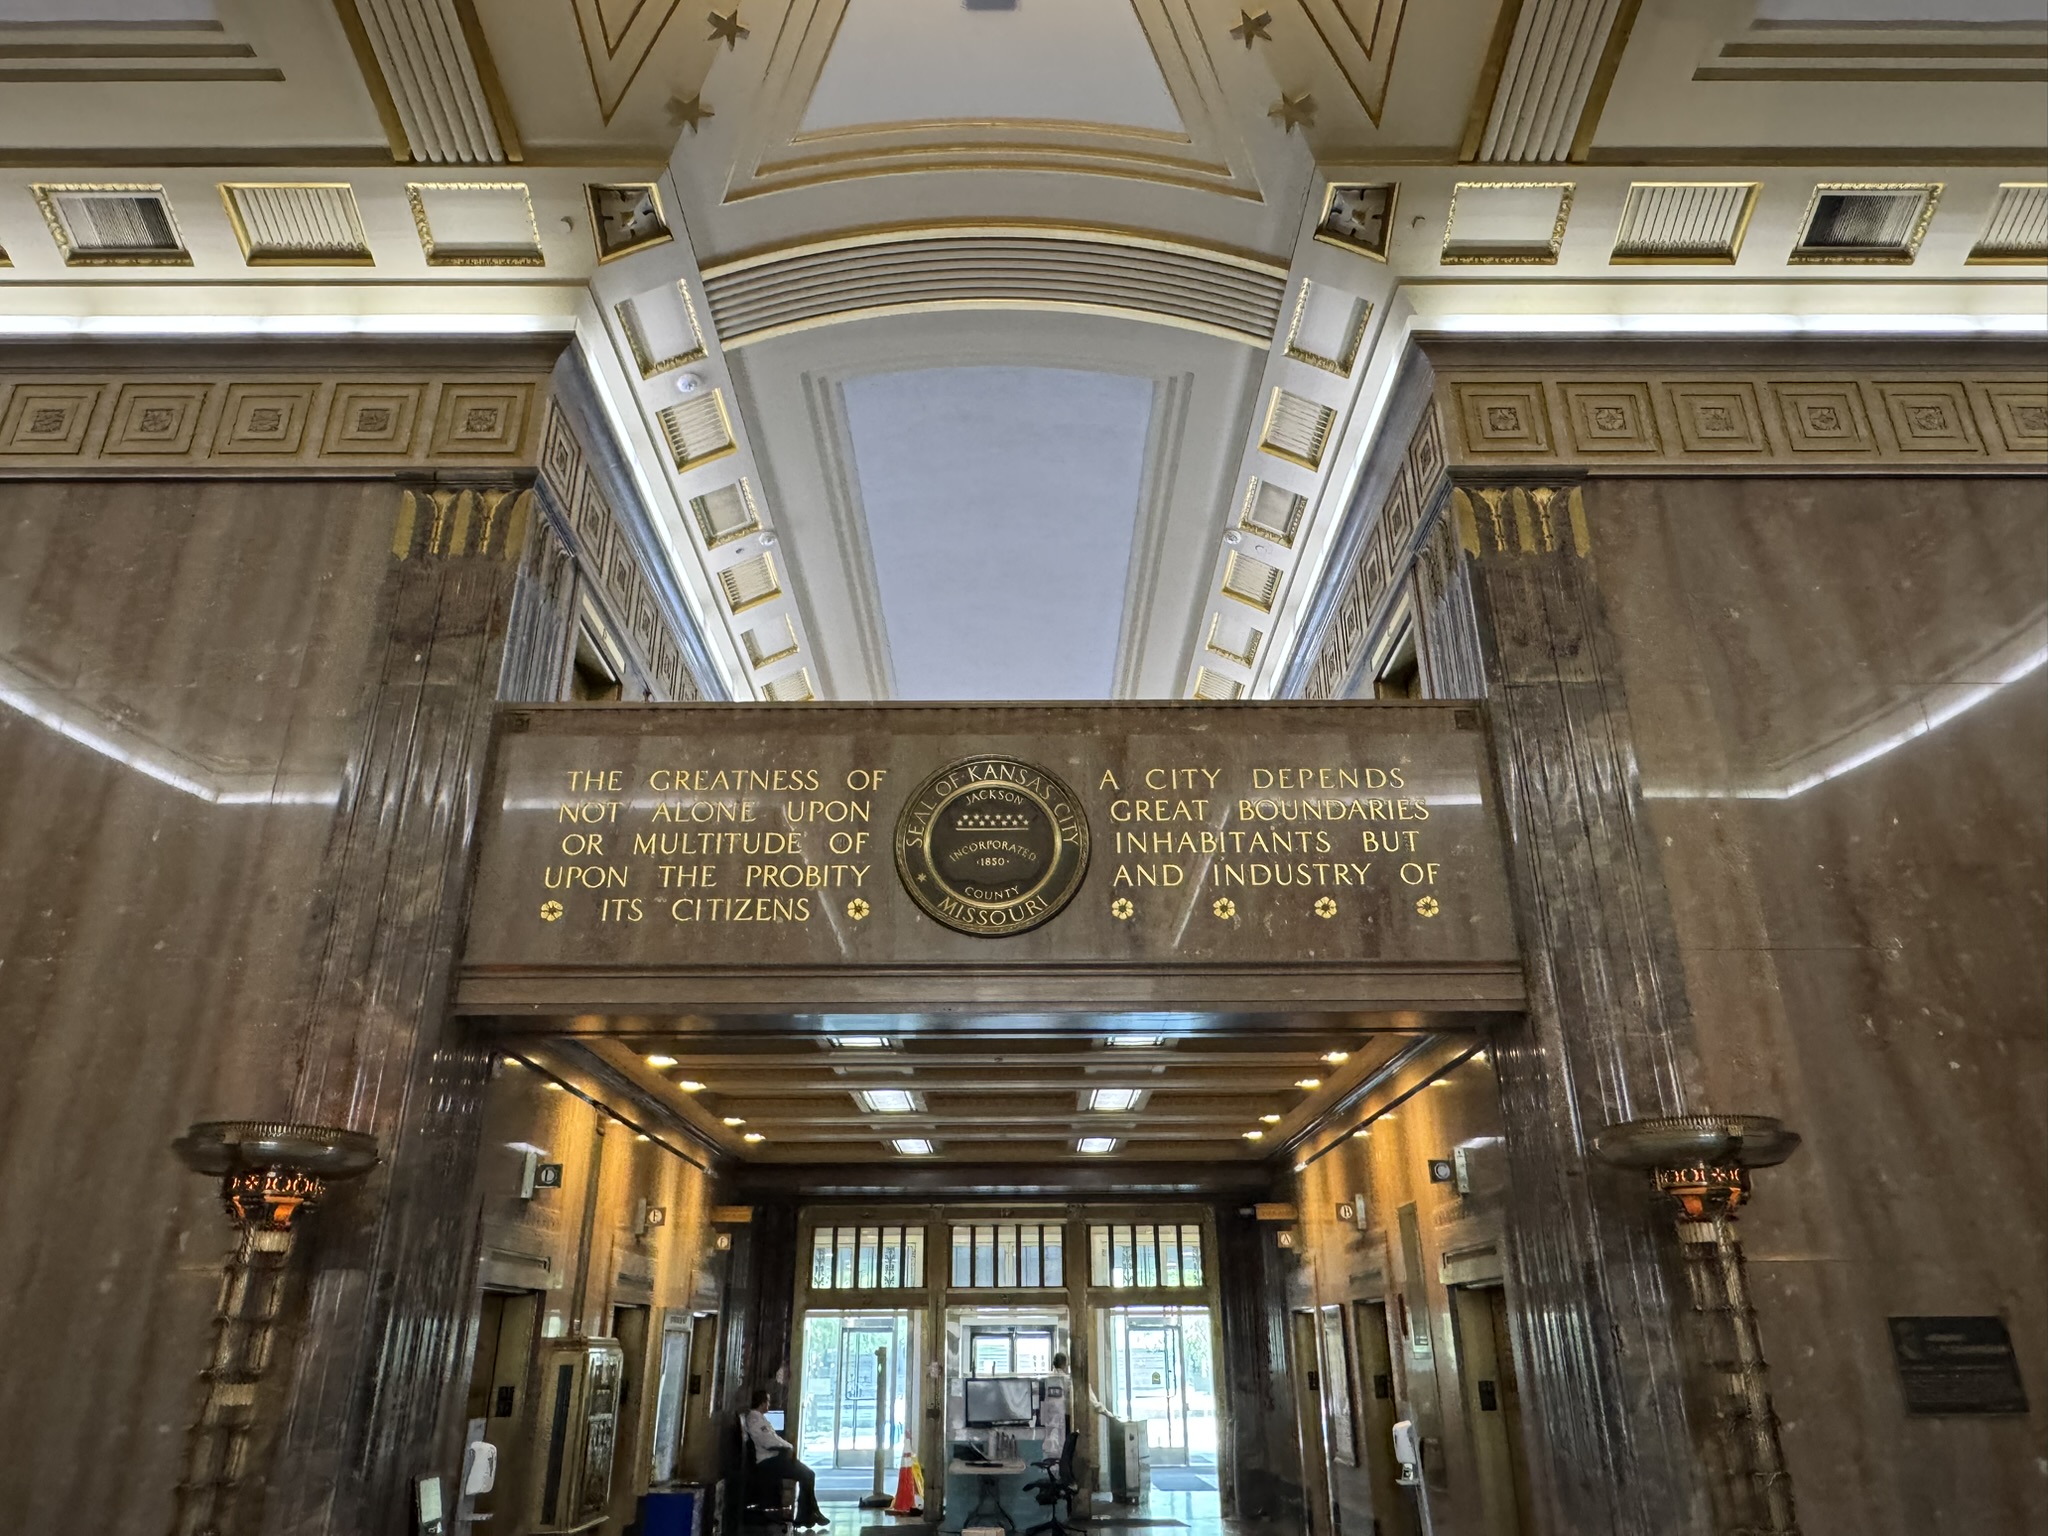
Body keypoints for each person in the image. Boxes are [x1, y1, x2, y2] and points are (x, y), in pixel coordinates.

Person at [744, 1388, 829, 1528]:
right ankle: (808, 1514)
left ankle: (809, 1514)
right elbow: (767, 1441)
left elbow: (774, 1438)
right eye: (768, 1401)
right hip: (768, 1462)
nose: (769, 1404)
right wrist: (788, 1447)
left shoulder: (760, 1418)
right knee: (807, 1475)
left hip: (774, 1459)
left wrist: (788, 1446)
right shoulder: (755, 1418)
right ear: (762, 1402)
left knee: (808, 1475)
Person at [1038, 1353, 1072, 1465]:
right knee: (1060, 1440)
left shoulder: (1048, 1378)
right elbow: (1070, 1396)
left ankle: (1050, 1462)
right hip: (1061, 1413)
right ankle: (1058, 1465)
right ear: (1064, 1364)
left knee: (1050, 1436)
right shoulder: (1066, 1379)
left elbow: (1042, 1396)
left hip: (1048, 1413)